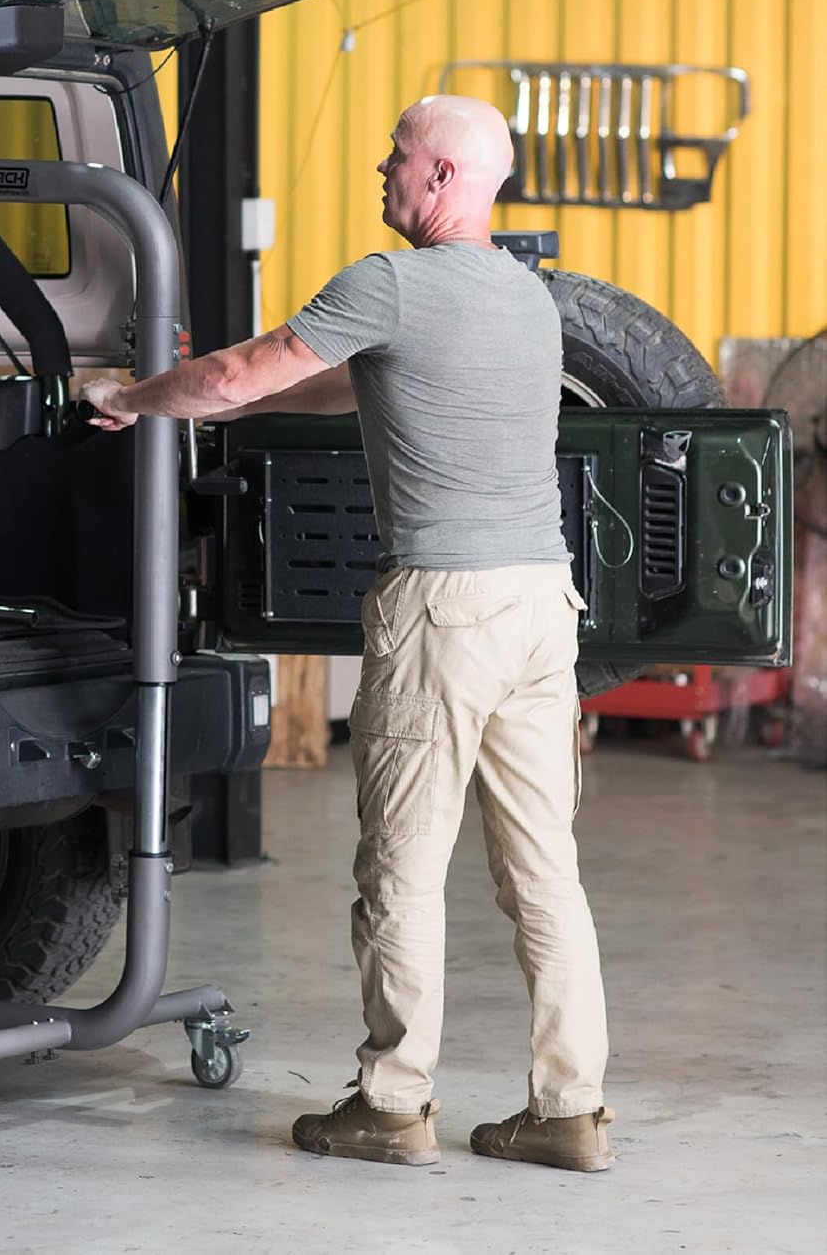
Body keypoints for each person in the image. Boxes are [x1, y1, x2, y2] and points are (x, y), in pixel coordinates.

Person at [80, 94, 614, 1173]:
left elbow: (240, 370)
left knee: (400, 870)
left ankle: (393, 1102)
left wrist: (134, 395)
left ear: (443, 176)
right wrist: (222, 401)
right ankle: (570, 1112)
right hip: (541, 606)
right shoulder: (527, 296)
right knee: (545, 872)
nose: (382, 168)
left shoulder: (391, 282)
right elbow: (349, 380)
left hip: (446, 609)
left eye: (398, 155)